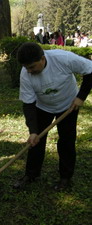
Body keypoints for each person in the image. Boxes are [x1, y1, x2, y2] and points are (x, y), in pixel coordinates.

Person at [14, 42, 92, 190]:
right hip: (42, 107)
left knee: (66, 141)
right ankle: (31, 175)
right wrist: (33, 131)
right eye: (26, 68)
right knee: (36, 142)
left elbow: (90, 70)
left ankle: (65, 178)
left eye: (32, 67)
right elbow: (28, 104)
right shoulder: (25, 74)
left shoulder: (63, 58)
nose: (29, 71)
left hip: (68, 105)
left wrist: (81, 97)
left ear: (42, 59)